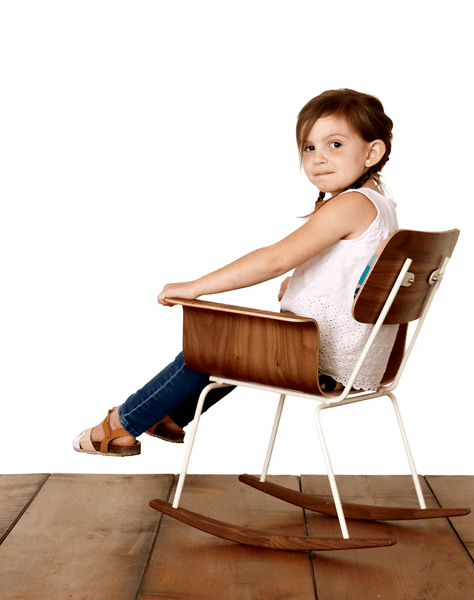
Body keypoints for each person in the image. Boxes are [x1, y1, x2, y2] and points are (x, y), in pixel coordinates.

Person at [72, 88, 399, 457]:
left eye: (335, 144)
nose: (318, 158)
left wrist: (195, 287)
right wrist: (309, 283)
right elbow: (364, 276)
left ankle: (123, 425)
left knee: (213, 345)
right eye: (309, 148)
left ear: (371, 152)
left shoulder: (351, 204)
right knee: (237, 349)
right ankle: (169, 415)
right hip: (358, 360)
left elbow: (275, 259)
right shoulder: (382, 208)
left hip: (320, 360)